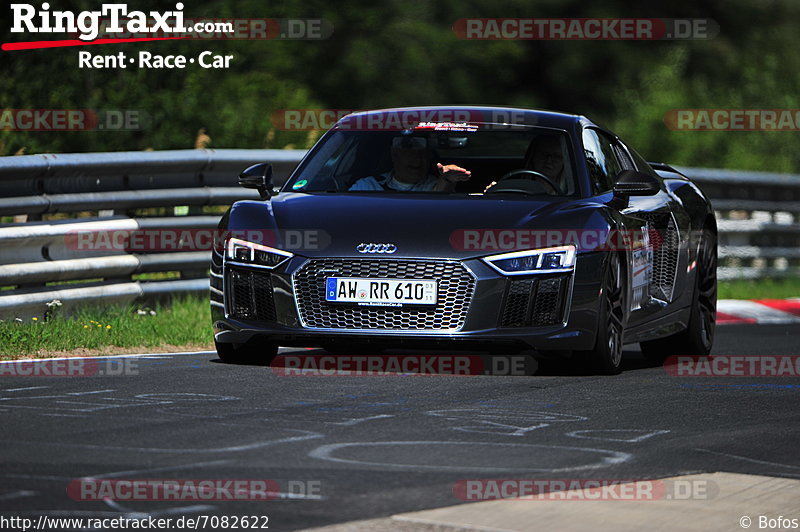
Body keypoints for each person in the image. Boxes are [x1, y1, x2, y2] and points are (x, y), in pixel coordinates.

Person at [350, 135, 471, 192]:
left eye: (423, 155)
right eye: (411, 154)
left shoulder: (433, 186)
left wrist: (446, 180)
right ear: (394, 155)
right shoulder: (367, 186)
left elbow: (440, 199)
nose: (418, 159)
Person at [484, 134, 568, 194]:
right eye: (543, 153)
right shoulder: (511, 185)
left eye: (556, 156)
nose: (548, 160)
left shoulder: (572, 191)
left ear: (564, 161)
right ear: (533, 156)